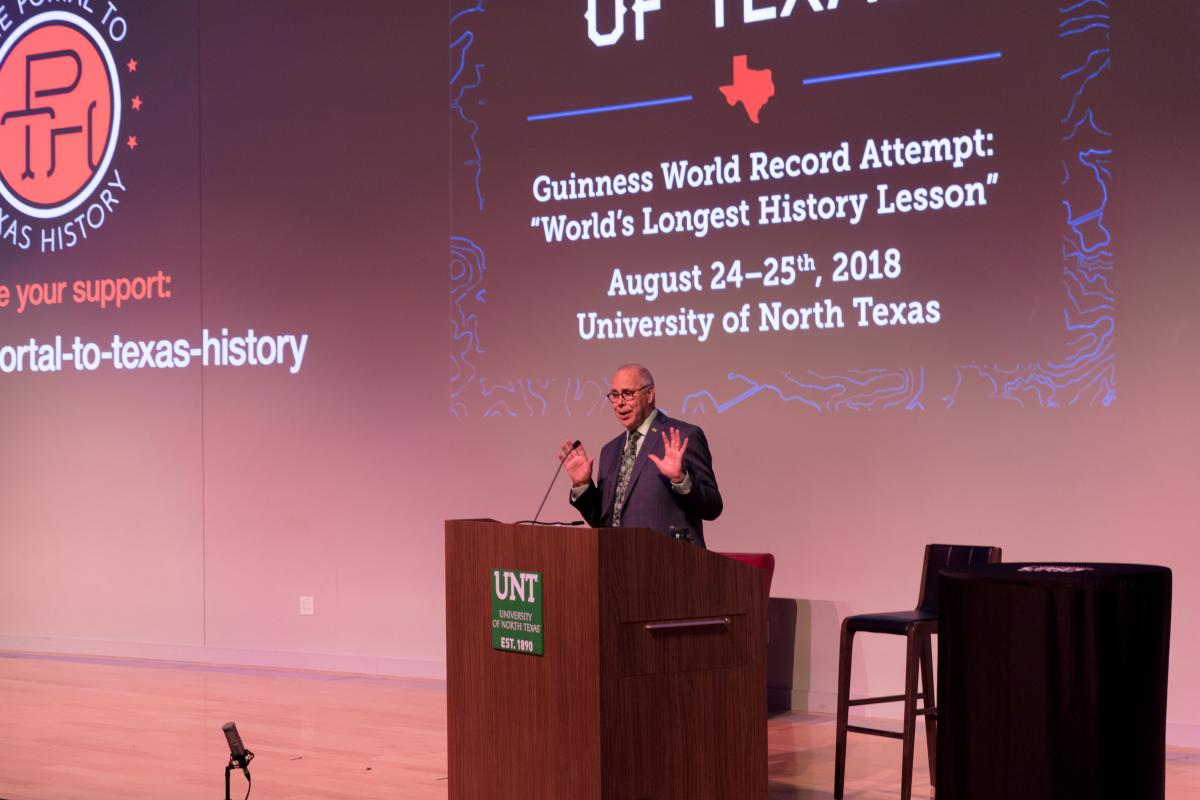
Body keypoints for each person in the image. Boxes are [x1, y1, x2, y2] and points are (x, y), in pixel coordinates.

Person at [560, 364, 722, 546]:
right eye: (614, 395)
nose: (620, 403)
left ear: (650, 394)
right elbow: (604, 521)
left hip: (669, 563)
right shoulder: (609, 451)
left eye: (628, 393)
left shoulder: (683, 436)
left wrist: (680, 480)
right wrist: (582, 485)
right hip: (617, 563)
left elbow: (713, 507)